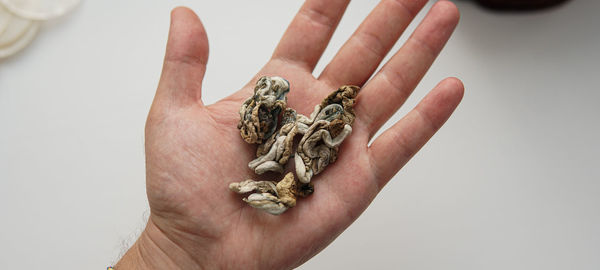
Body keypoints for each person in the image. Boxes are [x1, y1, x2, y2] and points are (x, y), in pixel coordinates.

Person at [115, 0, 464, 269]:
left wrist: (168, 259)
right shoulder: (279, 132)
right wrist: (173, 254)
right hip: (284, 157)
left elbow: (311, 140)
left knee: (296, 155)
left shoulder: (310, 136)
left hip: (294, 156)